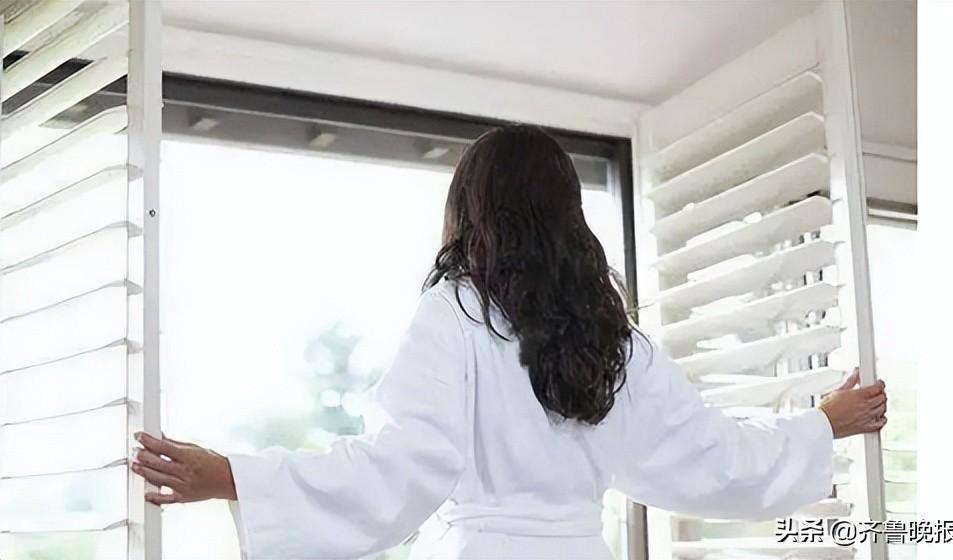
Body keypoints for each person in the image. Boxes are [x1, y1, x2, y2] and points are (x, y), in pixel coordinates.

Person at [132, 124, 887, 560]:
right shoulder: (608, 336)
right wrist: (821, 424)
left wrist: (234, 476)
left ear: (469, 209)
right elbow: (708, 455)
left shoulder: (455, 314)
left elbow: (398, 469)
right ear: (569, 213)